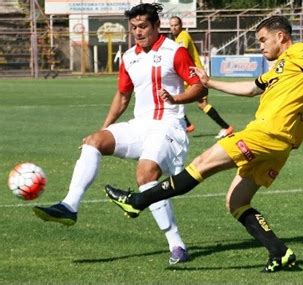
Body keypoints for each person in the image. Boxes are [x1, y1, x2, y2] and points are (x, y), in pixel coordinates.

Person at [104, 15, 303, 272]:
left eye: (262, 39)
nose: (259, 45)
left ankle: (137, 201)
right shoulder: (280, 68)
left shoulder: (301, 51)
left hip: (266, 134)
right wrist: (209, 82)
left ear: (280, 37)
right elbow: (251, 88)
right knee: (236, 202)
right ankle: (279, 252)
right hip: (279, 146)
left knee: (202, 164)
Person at [33, 3, 208, 264]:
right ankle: (69, 206)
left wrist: (177, 97)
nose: (138, 32)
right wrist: (104, 128)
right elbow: (123, 96)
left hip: (169, 125)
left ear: (156, 26)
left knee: (145, 174)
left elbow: (200, 88)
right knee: (93, 142)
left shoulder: (176, 52)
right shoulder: (129, 57)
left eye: (143, 27)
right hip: (140, 125)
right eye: (134, 27)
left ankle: (177, 245)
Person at [169, 15, 234, 139]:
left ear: (181, 25)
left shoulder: (183, 36)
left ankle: (226, 127)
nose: (174, 27)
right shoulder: (179, 38)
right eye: (171, 25)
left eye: (176, 25)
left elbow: (180, 52)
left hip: (196, 76)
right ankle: (188, 125)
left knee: (198, 103)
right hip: (190, 76)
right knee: (179, 98)